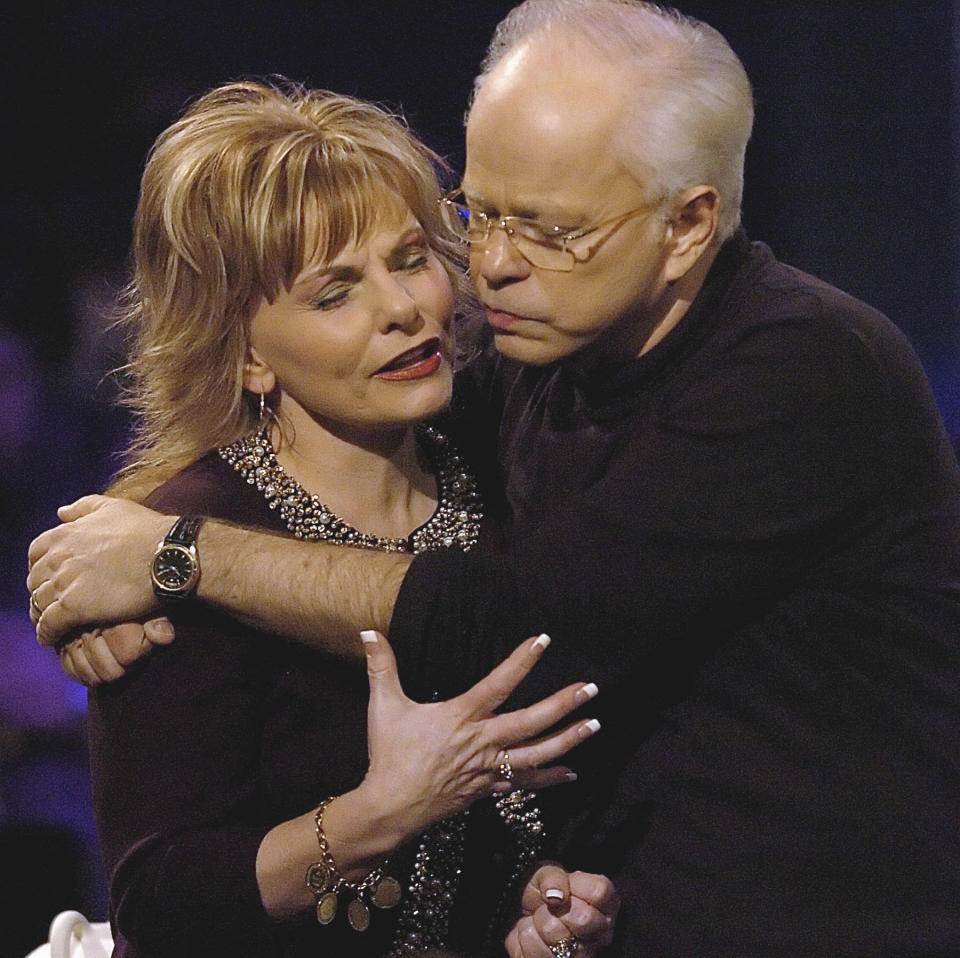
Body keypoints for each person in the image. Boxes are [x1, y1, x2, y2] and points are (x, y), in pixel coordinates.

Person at [29, 1, 960, 954]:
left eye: (548, 230)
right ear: (247, 351)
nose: (489, 270)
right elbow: (163, 901)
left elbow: (513, 628)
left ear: (686, 226)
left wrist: (177, 560)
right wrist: (88, 575)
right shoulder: (516, 380)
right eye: (478, 216)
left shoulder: (801, 369)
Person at [28, 79, 621, 958]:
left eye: (411, 258)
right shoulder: (170, 541)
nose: (403, 308)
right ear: (248, 354)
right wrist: (375, 818)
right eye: (335, 292)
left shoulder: (510, 465)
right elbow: (160, 907)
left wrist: (538, 902)